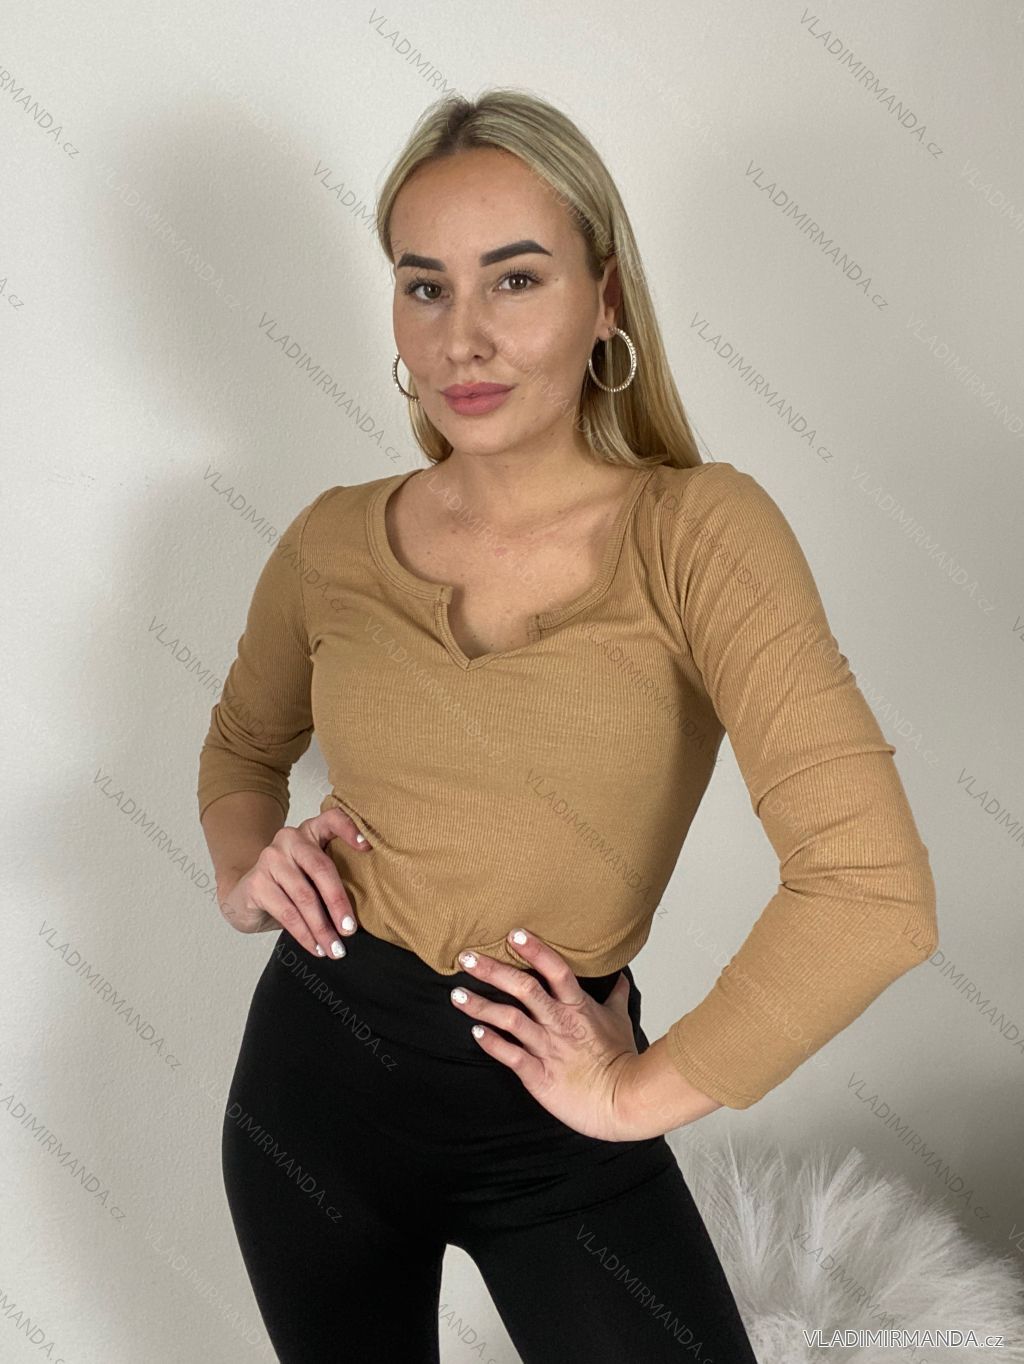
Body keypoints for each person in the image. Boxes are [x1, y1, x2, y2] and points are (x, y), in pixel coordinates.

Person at [197, 88, 938, 1363]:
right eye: (425, 287)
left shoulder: (699, 533)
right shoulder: (330, 539)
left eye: (515, 278)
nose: (464, 337)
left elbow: (873, 892)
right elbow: (241, 747)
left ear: (605, 298)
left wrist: (636, 1091)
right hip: (311, 1099)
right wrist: (242, 870)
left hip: (558, 1128)